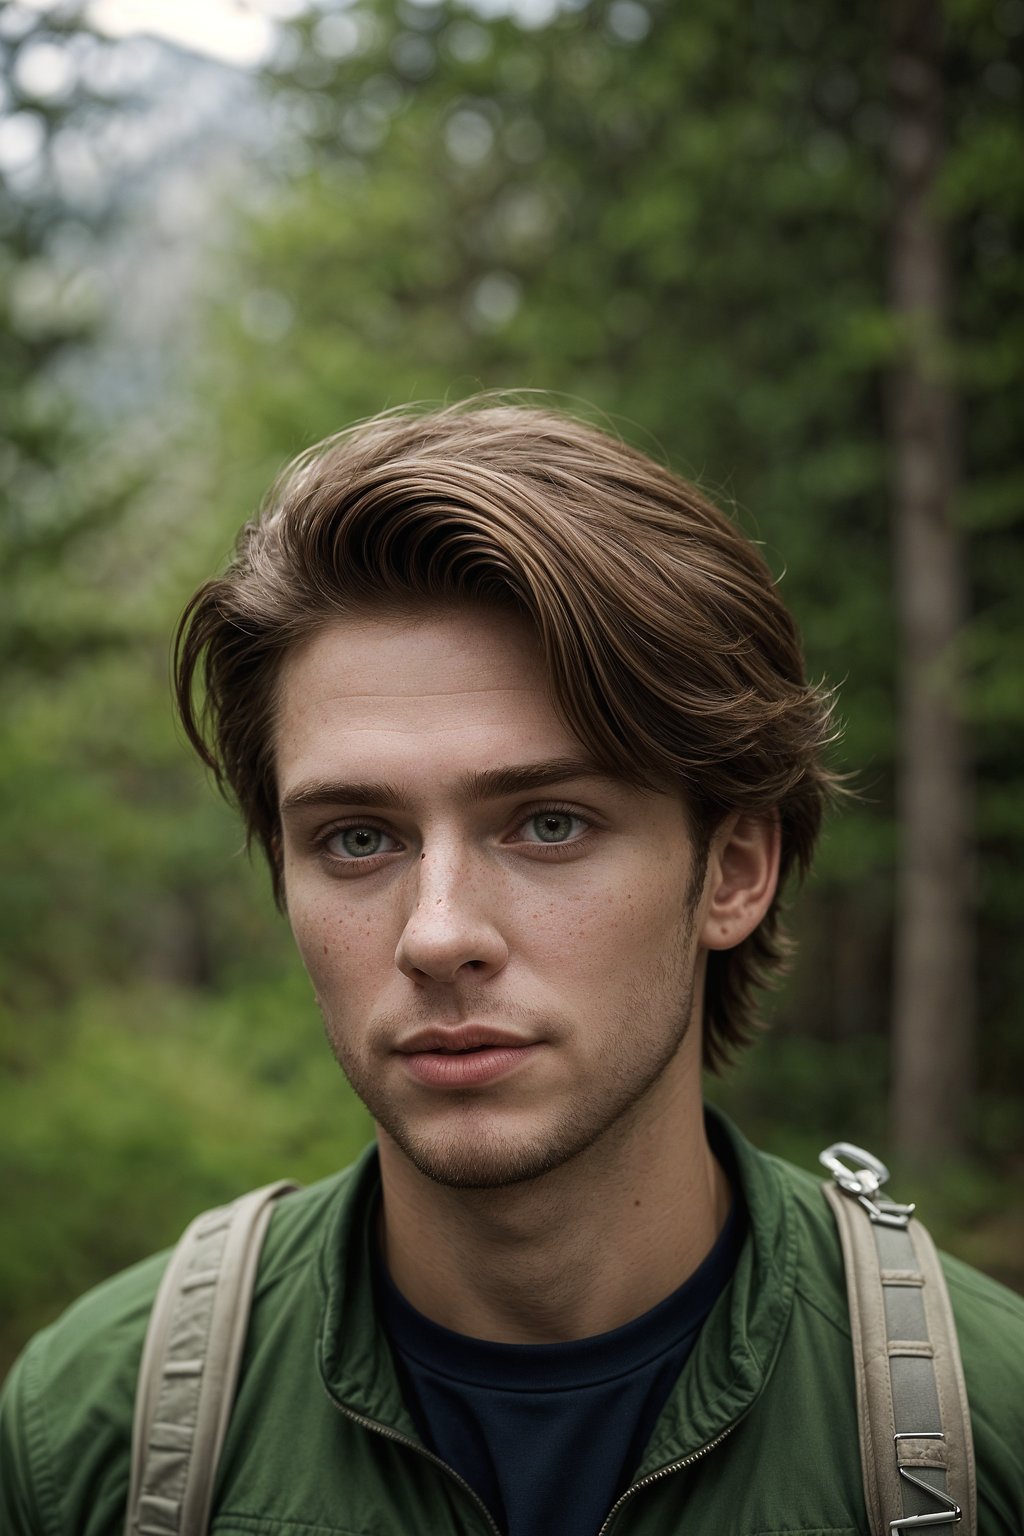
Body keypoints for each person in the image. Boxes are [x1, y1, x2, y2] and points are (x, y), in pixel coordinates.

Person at [1, 398, 1021, 1536]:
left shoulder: (985, 1432)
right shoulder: (99, 1433)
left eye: (548, 825)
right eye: (356, 838)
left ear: (733, 870)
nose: (436, 935)